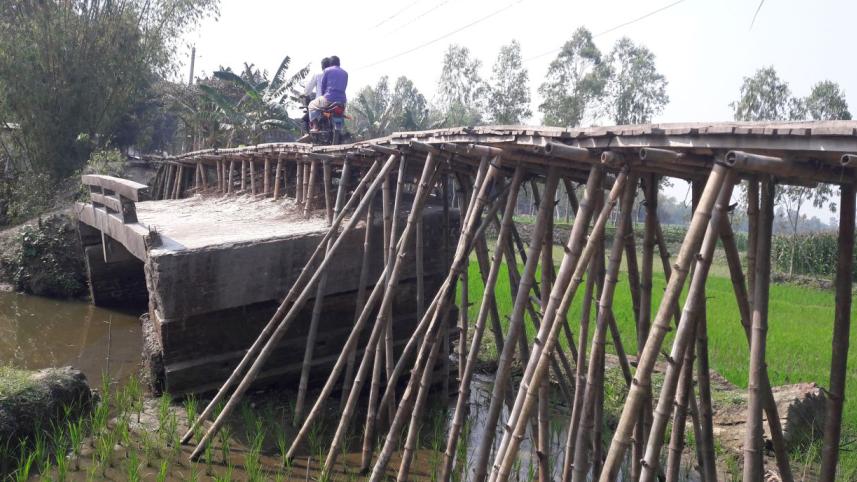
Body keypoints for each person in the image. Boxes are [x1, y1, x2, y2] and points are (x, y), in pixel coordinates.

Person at [308, 55, 348, 130]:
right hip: (342, 101)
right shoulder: (345, 73)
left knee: (311, 105)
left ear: (331, 63)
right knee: (342, 114)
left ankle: (315, 126)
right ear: (339, 63)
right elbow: (344, 86)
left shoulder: (327, 70)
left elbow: (323, 86)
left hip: (329, 99)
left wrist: (323, 95)